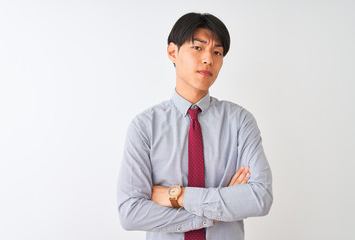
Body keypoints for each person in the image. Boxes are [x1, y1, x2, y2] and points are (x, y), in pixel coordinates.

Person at [117, 12, 273, 240]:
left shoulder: (240, 121)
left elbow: (260, 197)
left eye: (217, 52)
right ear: (173, 52)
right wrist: (219, 208)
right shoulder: (144, 126)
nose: (209, 59)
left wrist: (177, 196)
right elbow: (131, 213)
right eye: (198, 48)